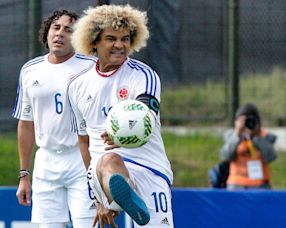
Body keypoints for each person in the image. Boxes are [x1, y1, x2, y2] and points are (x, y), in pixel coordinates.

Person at [68, 4, 174, 227]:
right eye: (111, 38)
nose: (119, 45)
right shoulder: (77, 86)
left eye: (125, 39)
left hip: (147, 167)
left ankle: (124, 197)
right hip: (103, 170)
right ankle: (118, 192)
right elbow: (84, 141)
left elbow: (147, 112)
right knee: (110, 159)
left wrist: (121, 135)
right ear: (93, 41)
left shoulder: (144, 75)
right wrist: (97, 197)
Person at [12, 9, 97, 228]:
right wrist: (24, 175)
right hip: (46, 162)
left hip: (81, 161)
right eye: (56, 27)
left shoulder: (90, 67)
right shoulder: (30, 70)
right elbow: (26, 124)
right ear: (47, 32)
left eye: (68, 30)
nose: (60, 34)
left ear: (78, 38)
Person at [220, 103, 277, 190]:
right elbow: (225, 157)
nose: (247, 124)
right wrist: (237, 135)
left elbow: (271, 157)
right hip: (236, 184)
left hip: (260, 185)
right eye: (243, 121)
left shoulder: (266, 137)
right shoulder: (231, 136)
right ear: (236, 122)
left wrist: (256, 137)